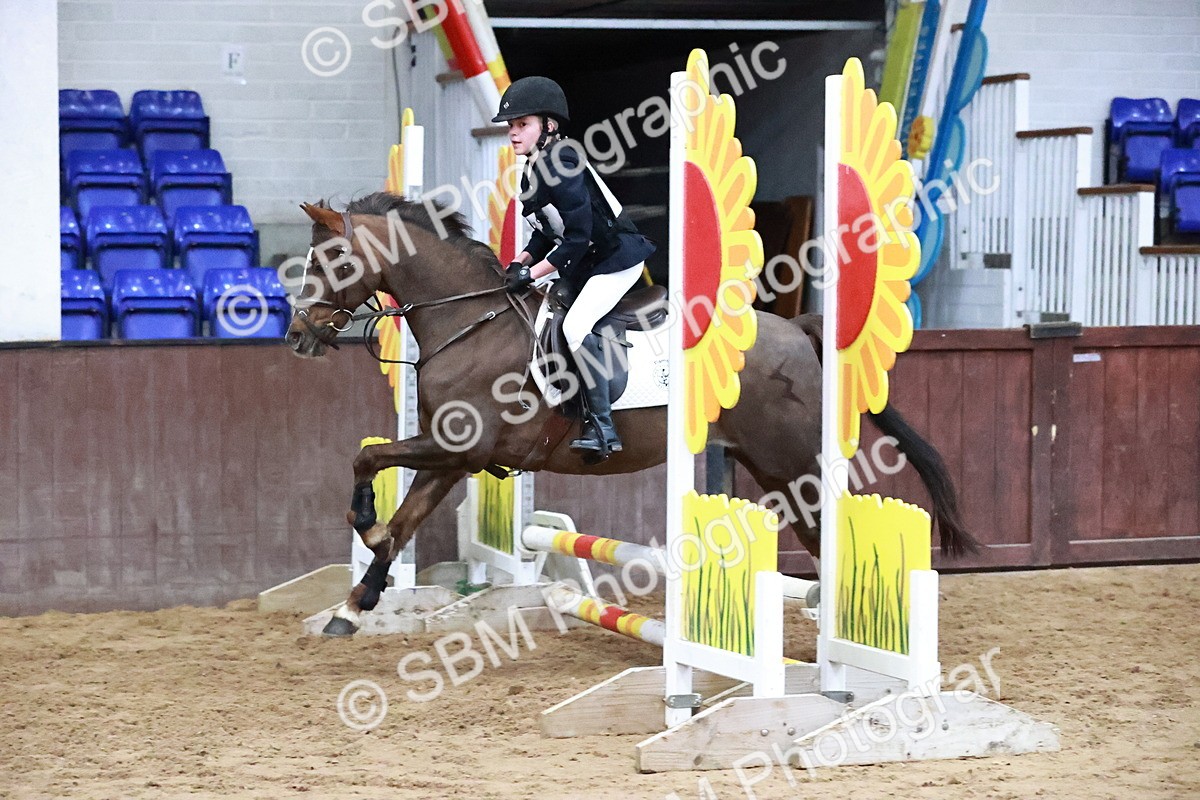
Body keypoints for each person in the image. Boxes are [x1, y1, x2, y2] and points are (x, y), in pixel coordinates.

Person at [493, 76, 655, 460]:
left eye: (522, 125)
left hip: (615, 259)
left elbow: (578, 237)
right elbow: (546, 233)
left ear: (548, 126)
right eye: (511, 126)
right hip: (585, 262)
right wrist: (521, 262)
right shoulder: (533, 168)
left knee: (574, 326)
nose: (513, 134)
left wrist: (532, 275)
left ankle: (602, 427)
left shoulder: (562, 162)